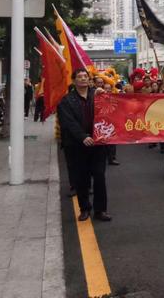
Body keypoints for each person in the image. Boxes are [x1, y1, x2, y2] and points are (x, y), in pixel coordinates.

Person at [57, 68, 111, 222]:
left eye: (85, 76)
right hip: (77, 145)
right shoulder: (66, 101)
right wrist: (82, 136)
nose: (82, 79)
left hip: (98, 144)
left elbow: (112, 109)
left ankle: (101, 210)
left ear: (89, 79)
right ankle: (85, 209)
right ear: (74, 81)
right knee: (82, 179)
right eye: (79, 77)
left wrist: (105, 95)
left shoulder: (98, 95)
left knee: (99, 177)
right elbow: (68, 123)